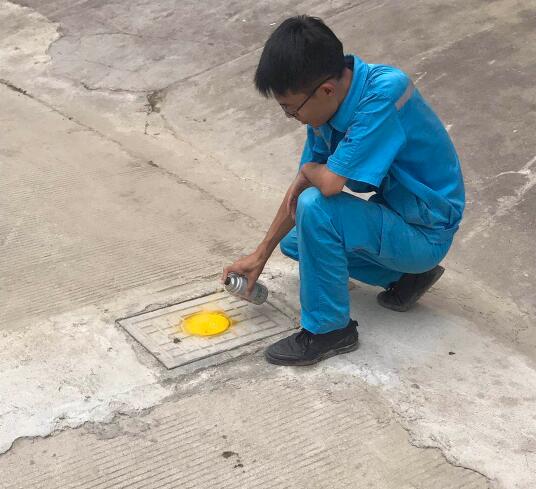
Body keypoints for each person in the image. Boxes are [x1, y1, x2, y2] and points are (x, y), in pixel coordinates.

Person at [222, 15, 465, 366]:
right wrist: (259, 255)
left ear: (326, 90)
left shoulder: (384, 94)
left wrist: (308, 171)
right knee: (296, 240)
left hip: (426, 233)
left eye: (291, 110)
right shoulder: (326, 108)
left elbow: (327, 184)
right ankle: (405, 278)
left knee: (316, 208)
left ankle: (329, 331)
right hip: (398, 219)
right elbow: (300, 191)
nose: (295, 119)